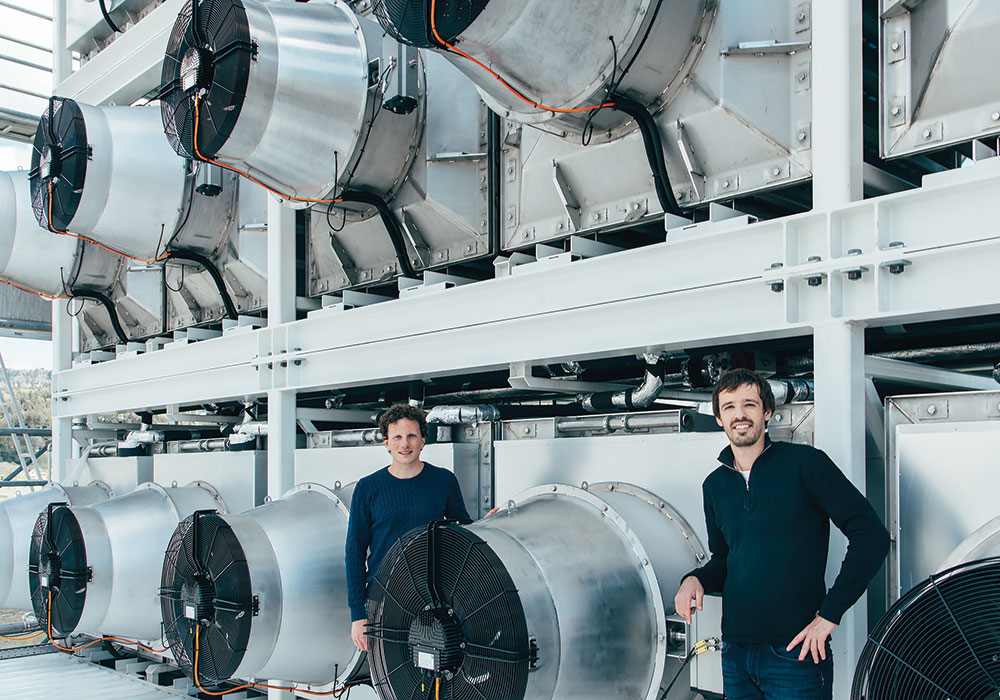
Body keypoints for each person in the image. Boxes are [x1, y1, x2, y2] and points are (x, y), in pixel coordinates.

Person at [673, 369, 889, 700]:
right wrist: (695, 579)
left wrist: (830, 614)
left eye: (749, 404)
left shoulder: (806, 465)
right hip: (735, 654)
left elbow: (871, 536)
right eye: (729, 407)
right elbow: (726, 560)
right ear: (719, 418)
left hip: (796, 653)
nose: (740, 414)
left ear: (767, 413)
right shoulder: (714, 486)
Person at [345, 404, 473, 651]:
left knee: (436, 671)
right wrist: (357, 615)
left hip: (435, 597)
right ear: (387, 443)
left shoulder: (444, 481)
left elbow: (462, 534)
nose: (405, 444)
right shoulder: (368, 488)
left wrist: (487, 528)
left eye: (412, 436)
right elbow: (354, 553)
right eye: (398, 437)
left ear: (423, 441)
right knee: (391, 679)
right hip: (383, 598)